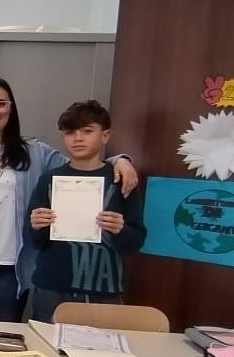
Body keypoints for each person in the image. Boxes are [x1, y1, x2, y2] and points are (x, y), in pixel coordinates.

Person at [0, 77, 139, 322]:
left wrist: (119, 160)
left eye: (1, 104)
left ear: (11, 109)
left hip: (11, 264)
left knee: (3, 334)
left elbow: (80, 166)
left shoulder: (34, 152)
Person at [27, 101, 146, 322]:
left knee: (102, 344)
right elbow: (33, 240)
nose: (78, 138)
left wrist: (120, 230)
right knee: (45, 342)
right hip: (52, 286)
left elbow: (137, 240)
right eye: (70, 132)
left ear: (105, 135)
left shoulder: (121, 179)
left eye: (87, 131)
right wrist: (36, 226)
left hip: (104, 289)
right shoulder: (49, 179)